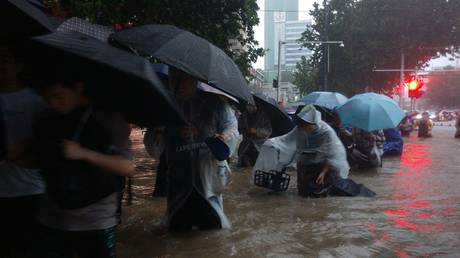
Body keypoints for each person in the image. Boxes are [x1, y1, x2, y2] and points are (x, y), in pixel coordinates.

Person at [31, 70, 134, 258]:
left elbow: (128, 167)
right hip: (51, 217)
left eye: (59, 96)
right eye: (48, 98)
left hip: (95, 221)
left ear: (78, 88)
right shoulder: (45, 116)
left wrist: (84, 153)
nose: (54, 103)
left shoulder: (108, 118)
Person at [153, 67, 239, 230]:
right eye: (175, 77)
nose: (180, 82)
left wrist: (224, 136)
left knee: (212, 232)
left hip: (207, 180)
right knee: (177, 231)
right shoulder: (166, 105)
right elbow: (154, 145)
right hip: (178, 180)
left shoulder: (214, 103)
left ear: (195, 79)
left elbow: (232, 127)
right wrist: (162, 132)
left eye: (185, 78)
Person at [253, 105, 375, 198]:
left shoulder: (325, 132)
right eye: (303, 124)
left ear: (313, 124)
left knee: (324, 192)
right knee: (303, 194)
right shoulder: (300, 129)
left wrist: (323, 173)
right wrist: (271, 144)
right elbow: (285, 140)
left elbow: (330, 156)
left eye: (307, 125)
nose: (304, 127)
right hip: (305, 163)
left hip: (324, 165)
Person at [0, 44, 47, 257]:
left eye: (5, 58)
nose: (1, 63)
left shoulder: (36, 102)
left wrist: (19, 152)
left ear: (19, 66)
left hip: (30, 188)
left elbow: (46, 144)